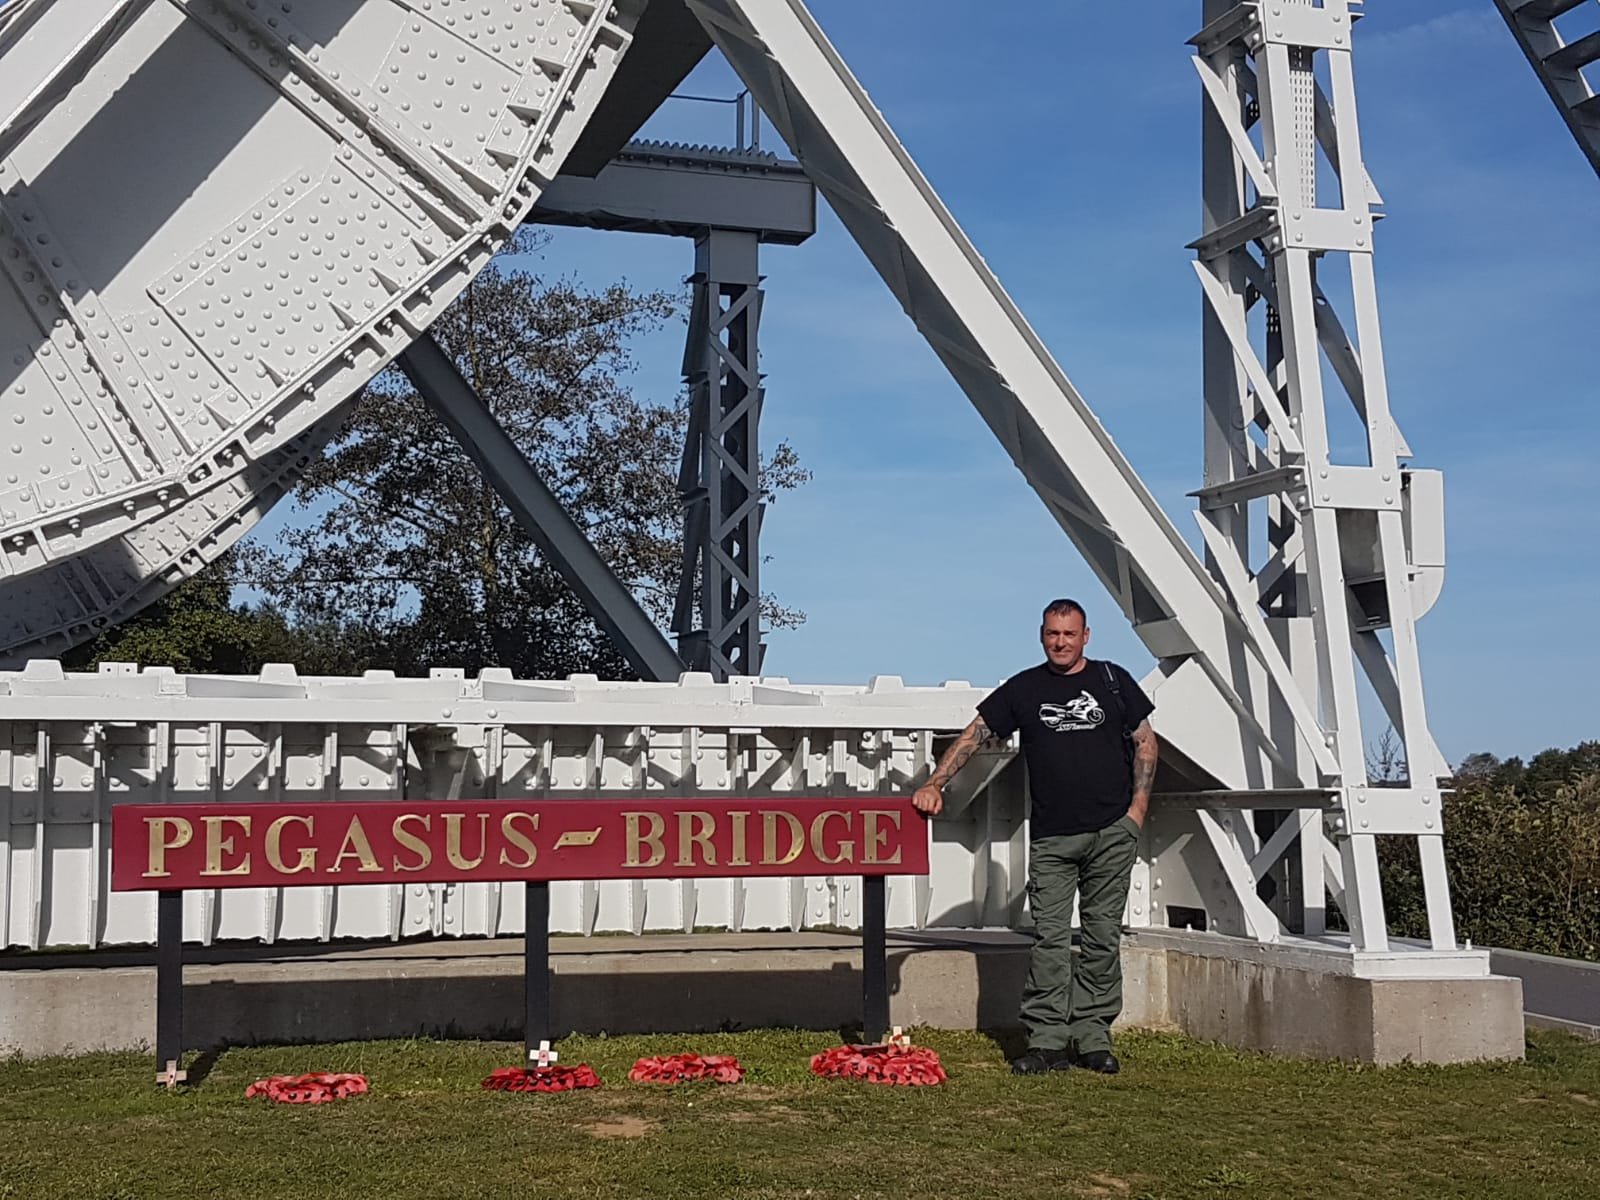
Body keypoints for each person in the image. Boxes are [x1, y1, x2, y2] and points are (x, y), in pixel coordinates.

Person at [912, 598, 1158, 1075]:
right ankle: (1046, 1041)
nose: (1060, 642)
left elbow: (1145, 740)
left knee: (1102, 937)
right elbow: (975, 734)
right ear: (1041, 635)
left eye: (1069, 633)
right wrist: (934, 783)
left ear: (1086, 635)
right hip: (1051, 839)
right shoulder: (1025, 688)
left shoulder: (1113, 680)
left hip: (1111, 832)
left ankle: (1093, 1039)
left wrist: (1136, 814)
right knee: (1048, 939)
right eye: (1052, 634)